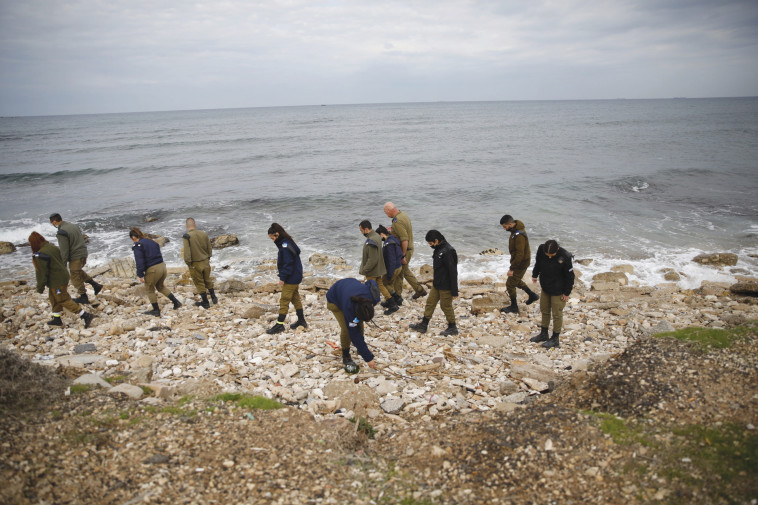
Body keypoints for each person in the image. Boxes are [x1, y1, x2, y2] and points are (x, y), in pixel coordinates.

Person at [30, 232, 94, 328]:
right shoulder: (52, 247)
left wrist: (40, 288)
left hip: (57, 281)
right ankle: (57, 319)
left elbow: (41, 273)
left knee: (63, 299)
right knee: (54, 298)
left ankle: (85, 315)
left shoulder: (40, 255)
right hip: (62, 276)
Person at [326, 278, 381, 373]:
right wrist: (368, 358)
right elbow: (354, 334)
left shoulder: (373, 297)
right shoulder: (349, 308)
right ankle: (346, 354)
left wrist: (364, 351)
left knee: (358, 323)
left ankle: (361, 349)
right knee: (347, 330)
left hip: (349, 285)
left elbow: (371, 282)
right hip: (334, 300)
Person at [410, 230, 459, 336]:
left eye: (431, 243)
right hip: (437, 283)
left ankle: (452, 327)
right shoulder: (438, 249)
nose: (430, 245)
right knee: (430, 303)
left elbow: (453, 271)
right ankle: (423, 324)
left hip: (446, 285)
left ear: (436, 240)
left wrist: (454, 290)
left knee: (445, 306)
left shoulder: (449, 251)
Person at [49, 213, 103, 304]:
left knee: (74, 277)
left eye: (52, 223)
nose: (52, 225)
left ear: (54, 221)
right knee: (78, 271)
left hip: (75, 256)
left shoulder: (61, 232)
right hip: (83, 252)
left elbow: (64, 250)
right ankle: (95, 285)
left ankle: (83, 297)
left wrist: (62, 265)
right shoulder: (73, 226)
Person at [530, 239, 575, 348]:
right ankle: (544, 333)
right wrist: (535, 274)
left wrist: (566, 292)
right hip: (546, 286)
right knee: (544, 310)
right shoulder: (541, 249)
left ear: (557, 249)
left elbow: (570, 276)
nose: (549, 257)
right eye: (547, 255)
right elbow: (538, 262)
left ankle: (555, 338)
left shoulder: (565, 256)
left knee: (557, 314)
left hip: (559, 289)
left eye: (552, 255)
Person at [130, 227, 182, 316]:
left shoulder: (138, 246)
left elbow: (140, 261)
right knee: (160, 286)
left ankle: (156, 310)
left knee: (149, 289)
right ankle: (176, 302)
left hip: (153, 270)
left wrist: (140, 274)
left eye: (132, 239)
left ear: (134, 237)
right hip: (162, 267)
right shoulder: (152, 242)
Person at [266, 223, 307, 334]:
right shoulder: (288, 243)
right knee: (295, 298)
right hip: (295, 275)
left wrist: (283, 278)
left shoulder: (284, 247)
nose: (273, 240)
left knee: (284, 300)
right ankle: (302, 321)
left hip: (291, 277)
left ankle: (279, 325)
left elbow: (288, 264)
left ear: (277, 234)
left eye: (273, 238)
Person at [383, 202, 427, 300]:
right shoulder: (403, 215)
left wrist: (402, 255)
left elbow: (404, 239)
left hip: (405, 249)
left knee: (400, 272)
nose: (386, 214)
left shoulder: (397, 221)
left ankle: (398, 295)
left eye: (386, 212)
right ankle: (419, 290)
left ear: (389, 210)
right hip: (409, 247)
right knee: (404, 270)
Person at [500, 214, 539, 314]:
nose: (504, 229)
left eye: (505, 227)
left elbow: (519, 253)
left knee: (510, 284)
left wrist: (512, 268)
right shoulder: (515, 231)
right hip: (520, 262)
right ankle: (532, 295)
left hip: (521, 263)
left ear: (510, 224)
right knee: (516, 280)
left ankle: (514, 307)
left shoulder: (519, 235)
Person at [358, 220, 399, 315]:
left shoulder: (371, 240)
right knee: (380, 285)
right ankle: (392, 303)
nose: (361, 232)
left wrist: (365, 270)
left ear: (366, 229)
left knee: (369, 289)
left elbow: (372, 259)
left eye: (361, 230)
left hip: (372, 270)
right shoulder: (376, 236)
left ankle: (367, 308)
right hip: (377, 269)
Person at [182, 218, 216, 309]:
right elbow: (209, 247)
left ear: (186, 226)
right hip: (205, 261)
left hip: (195, 263)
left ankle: (205, 302)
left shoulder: (187, 236)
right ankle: (213, 297)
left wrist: (188, 262)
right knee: (207, 279)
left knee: (199, 282)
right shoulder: (203, 233)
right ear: (195, 224)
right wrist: (208, 257)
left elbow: (187, 251)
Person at [376, 225, 404, 310]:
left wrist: (389, 273)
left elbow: (391, 260)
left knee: (384, 284)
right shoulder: (393, 239)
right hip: (398, 266)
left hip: (393, 267)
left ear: (382, 234)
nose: (379, 239)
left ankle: (397, 299)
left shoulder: (389, 244)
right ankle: (392, 300)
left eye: (379, 237)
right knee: (390, 284)